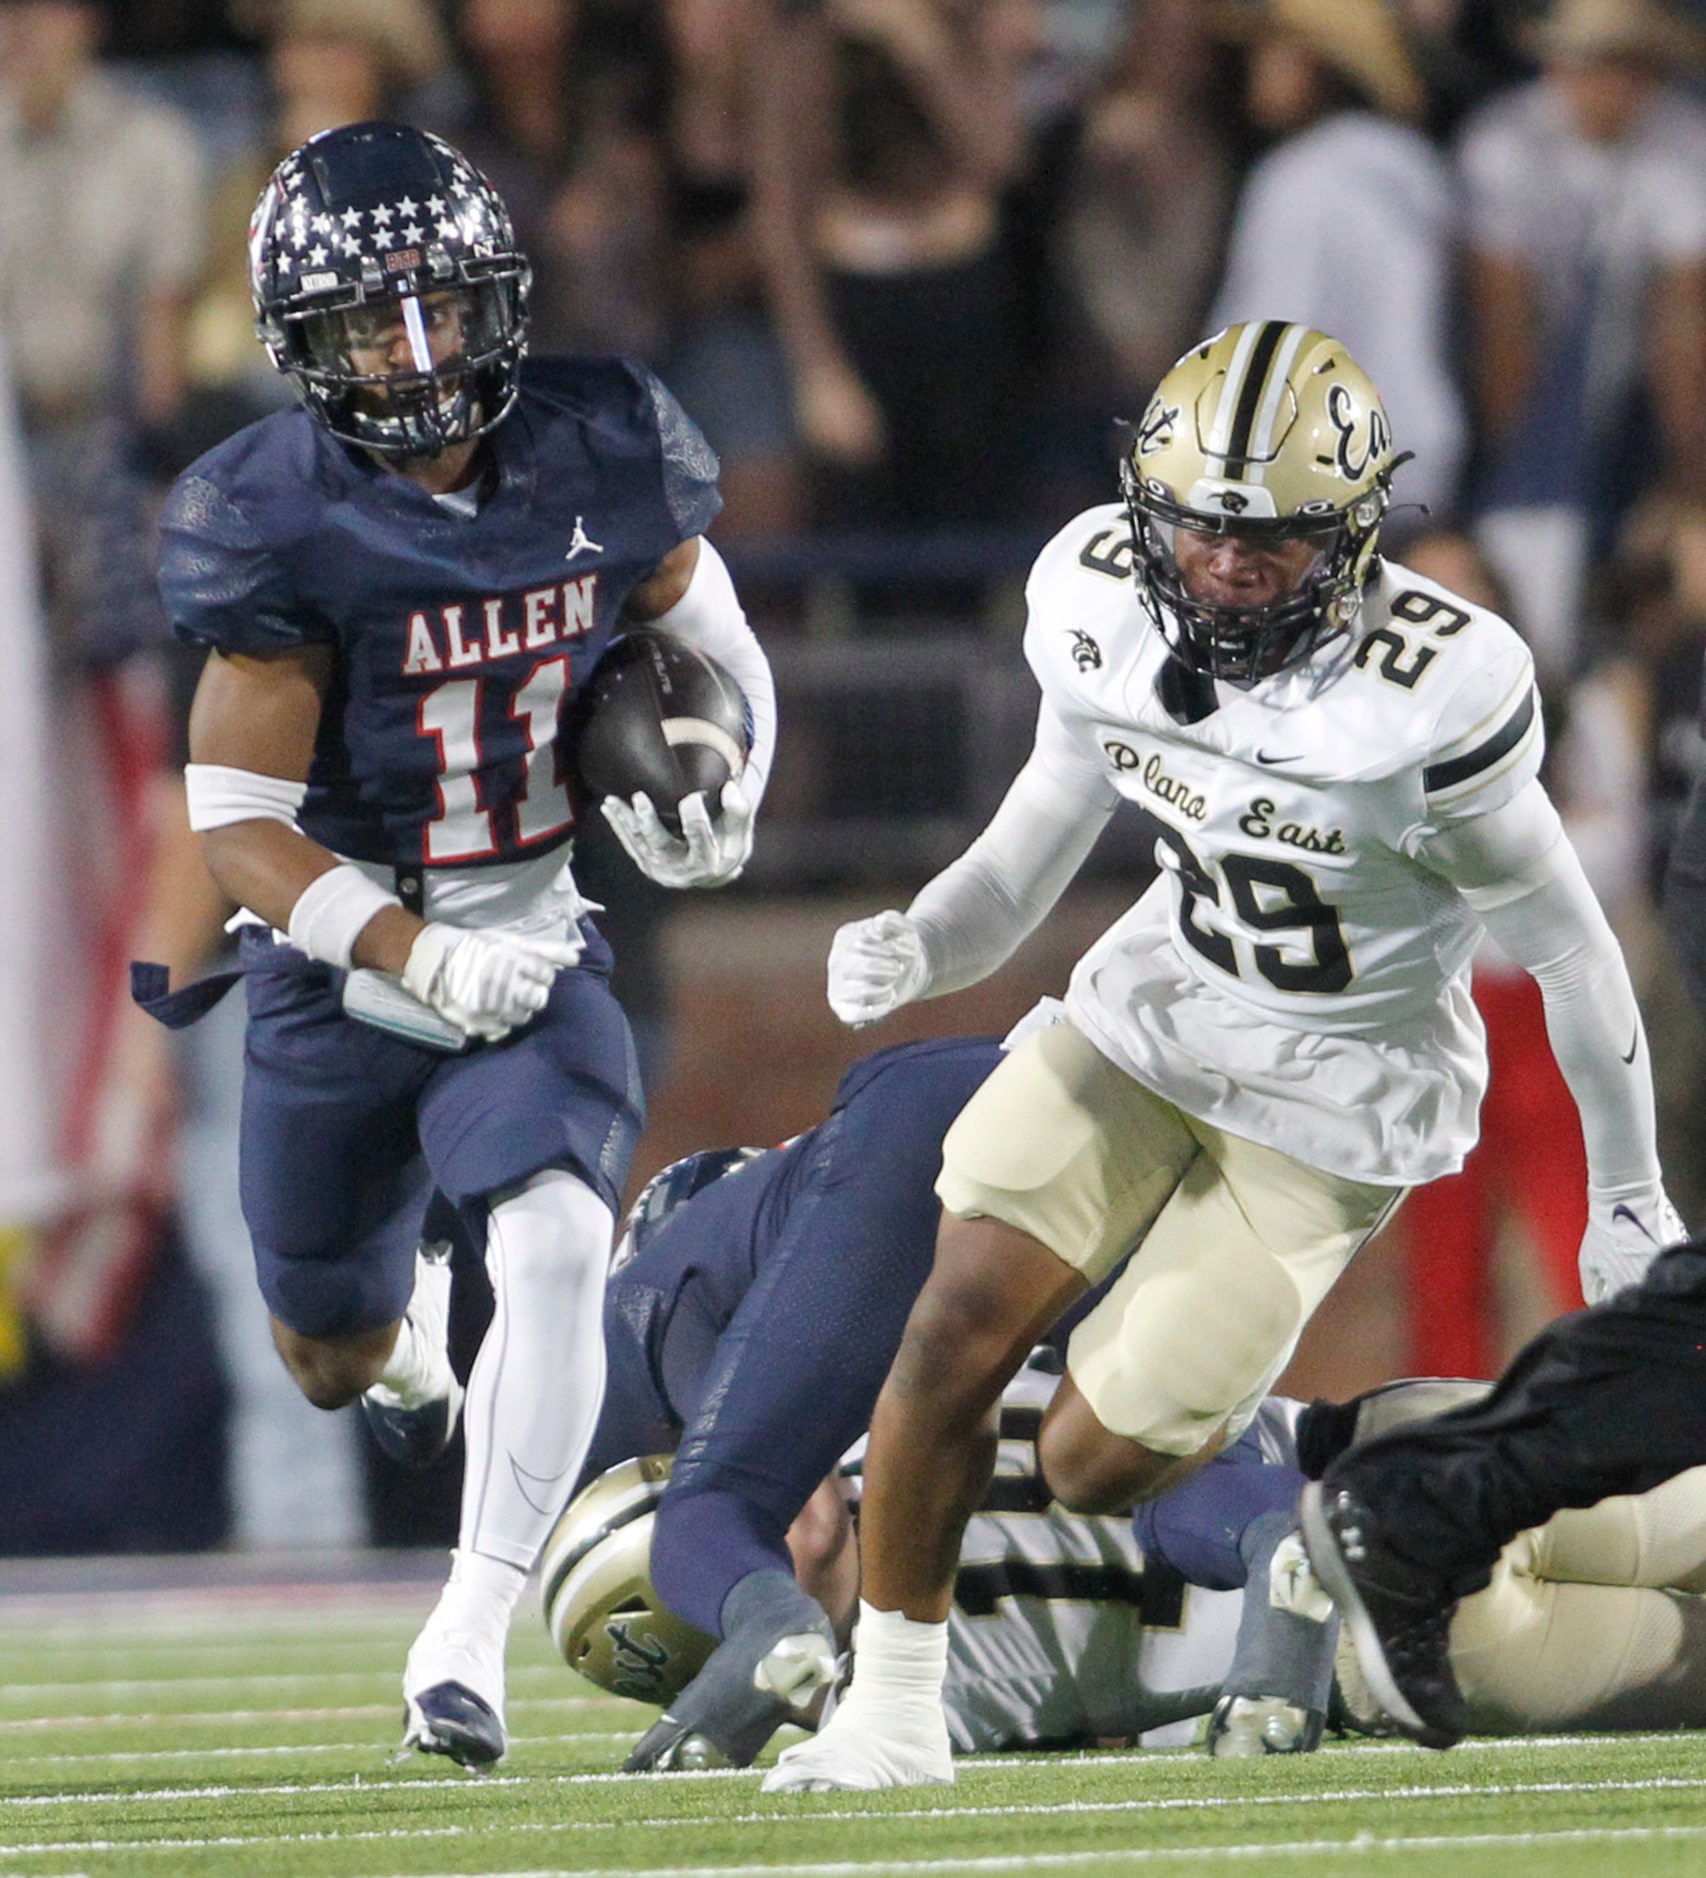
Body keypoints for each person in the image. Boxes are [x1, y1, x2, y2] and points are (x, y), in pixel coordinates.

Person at [762, 318, 1682, 1793]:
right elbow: (1027, 846)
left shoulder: (1427, 694)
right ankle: (894, 1710)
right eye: (1197, 528)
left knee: (1088, 1463)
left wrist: (1627, 1191)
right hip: (1153, 1017)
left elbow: (1572, 951)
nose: (1230, 565)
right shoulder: (1095, 602)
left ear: (1358, 534)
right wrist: (928, 941)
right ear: (1146, 507)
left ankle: (1340, 1477)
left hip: (1330, 1097)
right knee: (951, 1323)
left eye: (1276, 538)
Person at [144, 121, 776, 1768]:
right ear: (301, 348)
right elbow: (237, 830)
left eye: (442, 309)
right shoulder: (267, 515)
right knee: (331, 1348)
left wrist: (735, 788)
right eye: (371, 326)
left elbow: (710, 633)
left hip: (541, 933)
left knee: (561, 1238)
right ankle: (409, 1337)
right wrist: (418, 955)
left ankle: (468, 1631)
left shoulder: (603, 438)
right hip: (339, 964)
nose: (418, 361)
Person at [1299, 761, 1706, 1753]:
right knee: (1457, 1274)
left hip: (1527, 992)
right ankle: (1425, 1498)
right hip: (1456, 994)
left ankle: (1426, 1500)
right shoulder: (1433, 695)